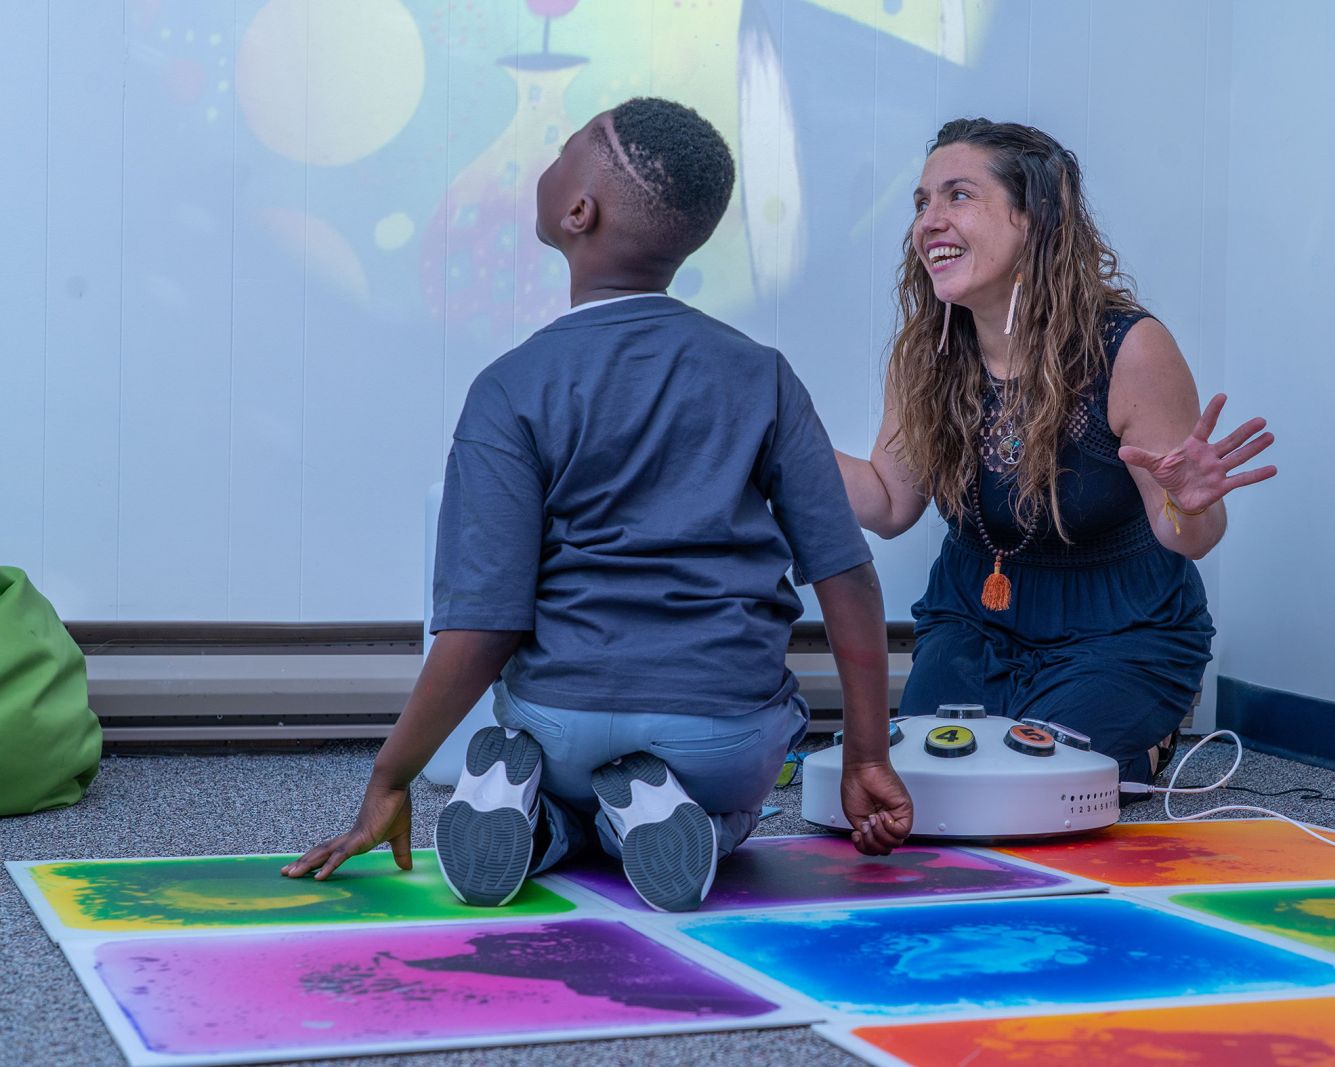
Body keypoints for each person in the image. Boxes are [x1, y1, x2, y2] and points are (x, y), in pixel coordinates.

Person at [283, 98, 912, 912]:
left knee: (555, 761)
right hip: (718, 729)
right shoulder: (761, 375)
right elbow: (846, 577)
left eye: (563, 150)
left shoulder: (510, 388)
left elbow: (484, 623)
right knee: (735, 802)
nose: (549, 162)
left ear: (578, 211)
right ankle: (664, 817)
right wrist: (866, 753)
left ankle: (545, 822)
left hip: (559, 721)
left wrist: (390, 773)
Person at [835, 118, 1277, 790]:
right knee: (929, 782)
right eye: (922, 202)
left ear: (1035, 217)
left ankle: (1149, 730)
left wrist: (1190, 504)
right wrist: (781, 444)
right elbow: (891, 502)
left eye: (958, 196)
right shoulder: (925, 354)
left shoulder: (1129, 349)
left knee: (1034, 785)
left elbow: (1192, 538)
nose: (929, 221)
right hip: (972, 621)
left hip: (1119, 632)